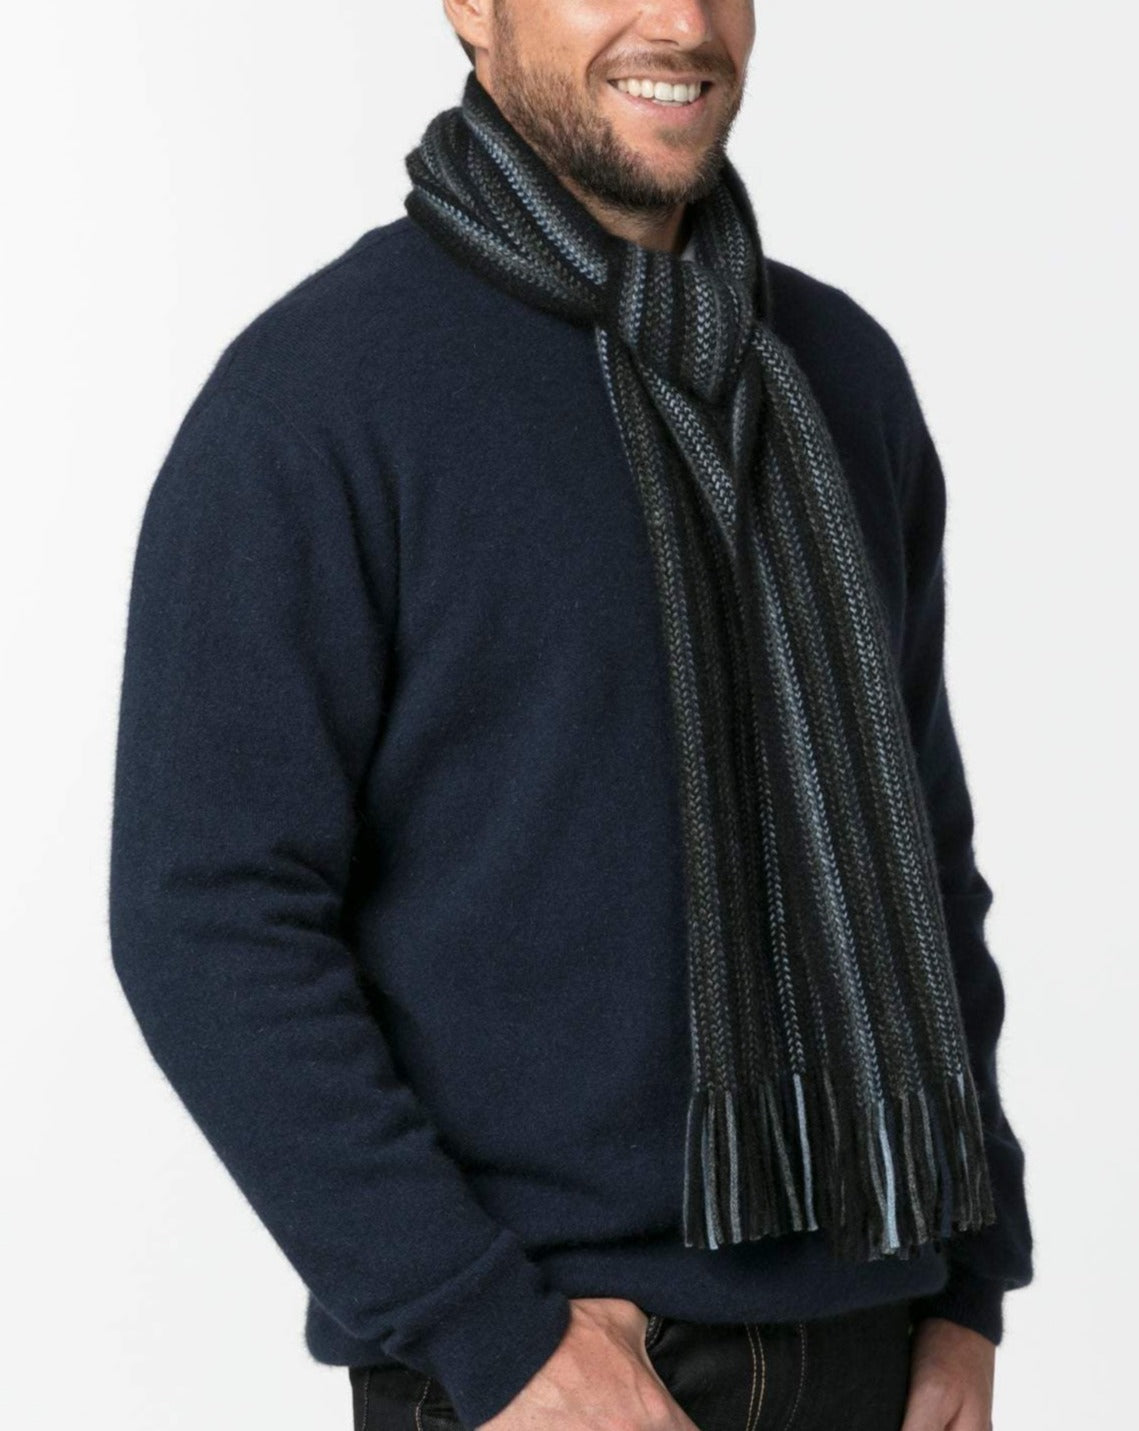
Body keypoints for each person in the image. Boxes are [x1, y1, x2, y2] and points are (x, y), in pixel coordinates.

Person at [108, 3, 1034, 1429]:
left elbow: (924, 851)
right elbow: (207, 915)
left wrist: (969, 1288)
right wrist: (485, 1330)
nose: (682, 23)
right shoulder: (319, 398)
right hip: (548, 1367)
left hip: (878, 1342)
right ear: (471, 8)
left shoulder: (841, 374)